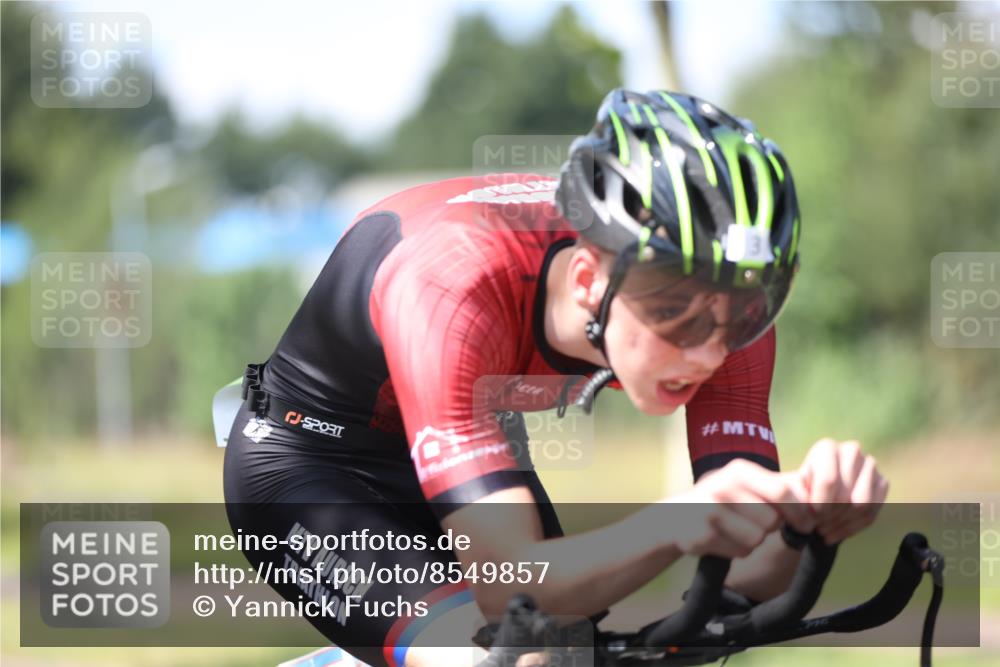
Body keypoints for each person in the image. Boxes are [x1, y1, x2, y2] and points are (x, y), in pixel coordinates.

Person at [223, 89, 888, 667]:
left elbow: (746, 579)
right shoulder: (454, 284)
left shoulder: (719, 306)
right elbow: (513, 584)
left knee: (565, 647)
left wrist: (806, 519)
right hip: (311, 461)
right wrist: (674, 522)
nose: (708, 352)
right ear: (587, 281)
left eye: (744, 314)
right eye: (672, 314)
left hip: (467, 432)